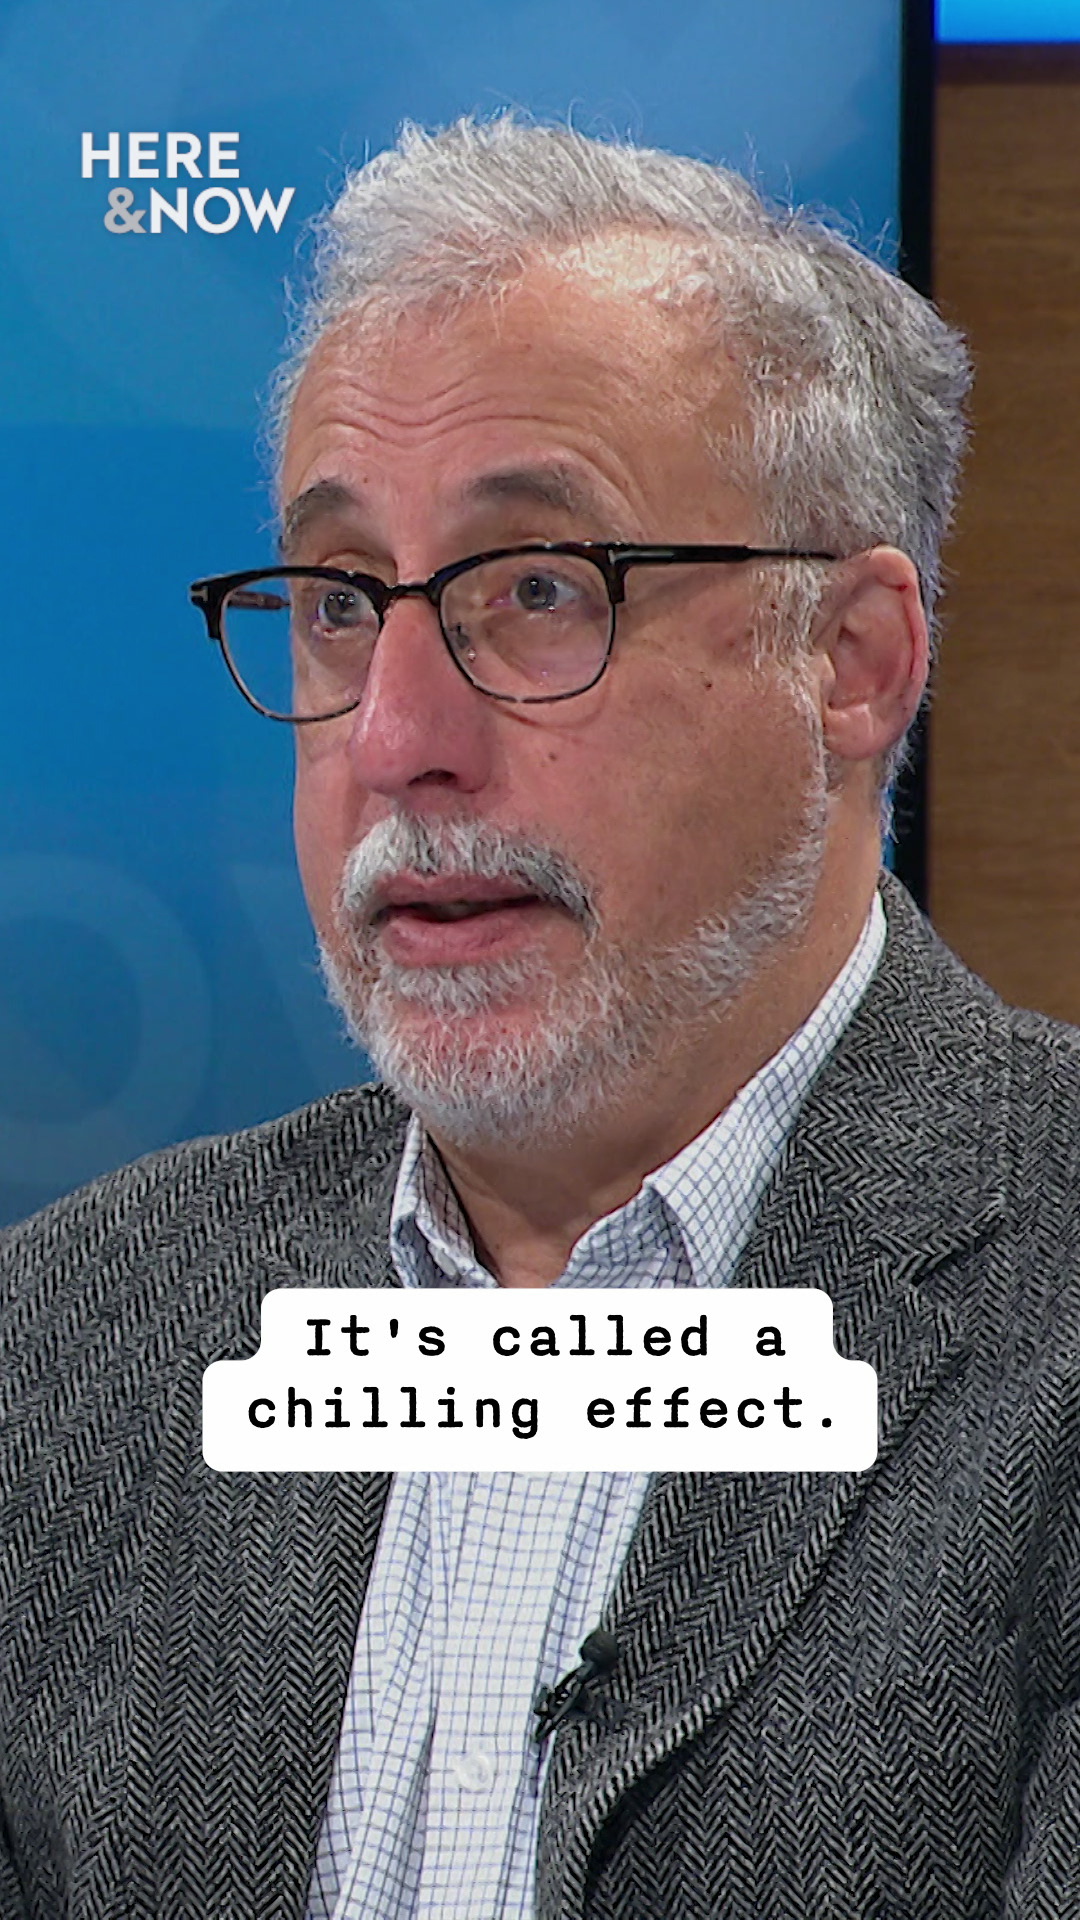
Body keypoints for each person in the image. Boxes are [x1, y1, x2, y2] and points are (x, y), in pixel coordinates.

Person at [1, 114, 1078, 1920]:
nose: (395, 737)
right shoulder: (67, 1343)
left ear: (853, 663)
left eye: (538, 592)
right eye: (341, 604)